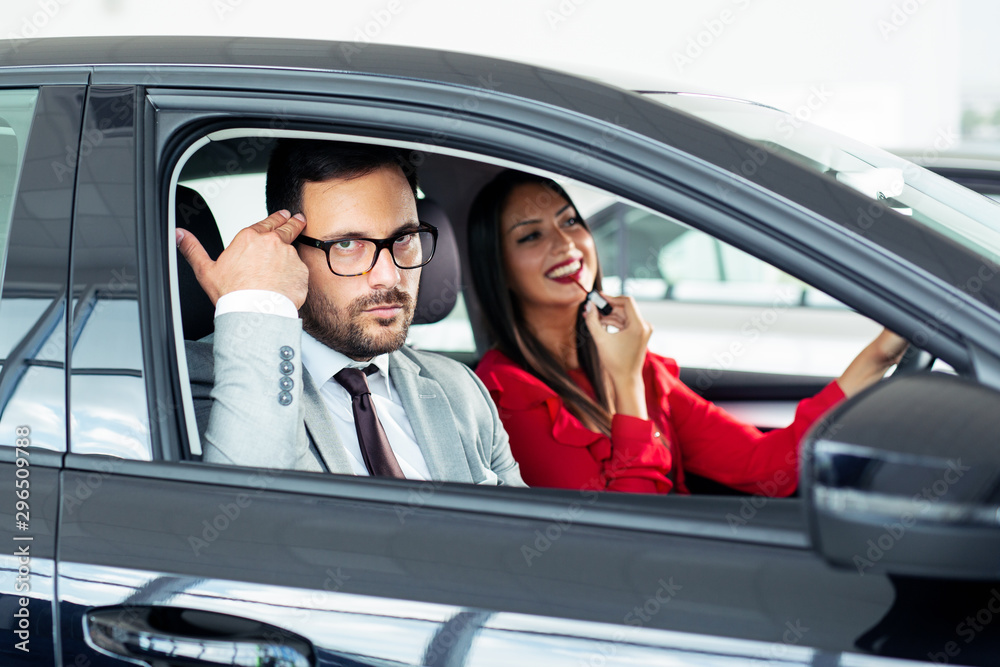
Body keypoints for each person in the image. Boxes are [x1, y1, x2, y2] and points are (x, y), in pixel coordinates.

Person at [467, 169, 907, 495]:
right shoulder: (504, 397)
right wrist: (625, 380)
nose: (564, 244)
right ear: (499, 269)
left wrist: (880, 355)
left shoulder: (639, 368)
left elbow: (768, 467)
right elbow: (620, 537)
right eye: (530, 236)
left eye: (569, 222)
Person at [178, 139, 523, 486]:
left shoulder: (460, 388)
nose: (389, 275)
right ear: (289, 253)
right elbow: (256, 515)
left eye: (404, 238)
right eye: (346, 245)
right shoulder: (199, 379)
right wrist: (256, 303)